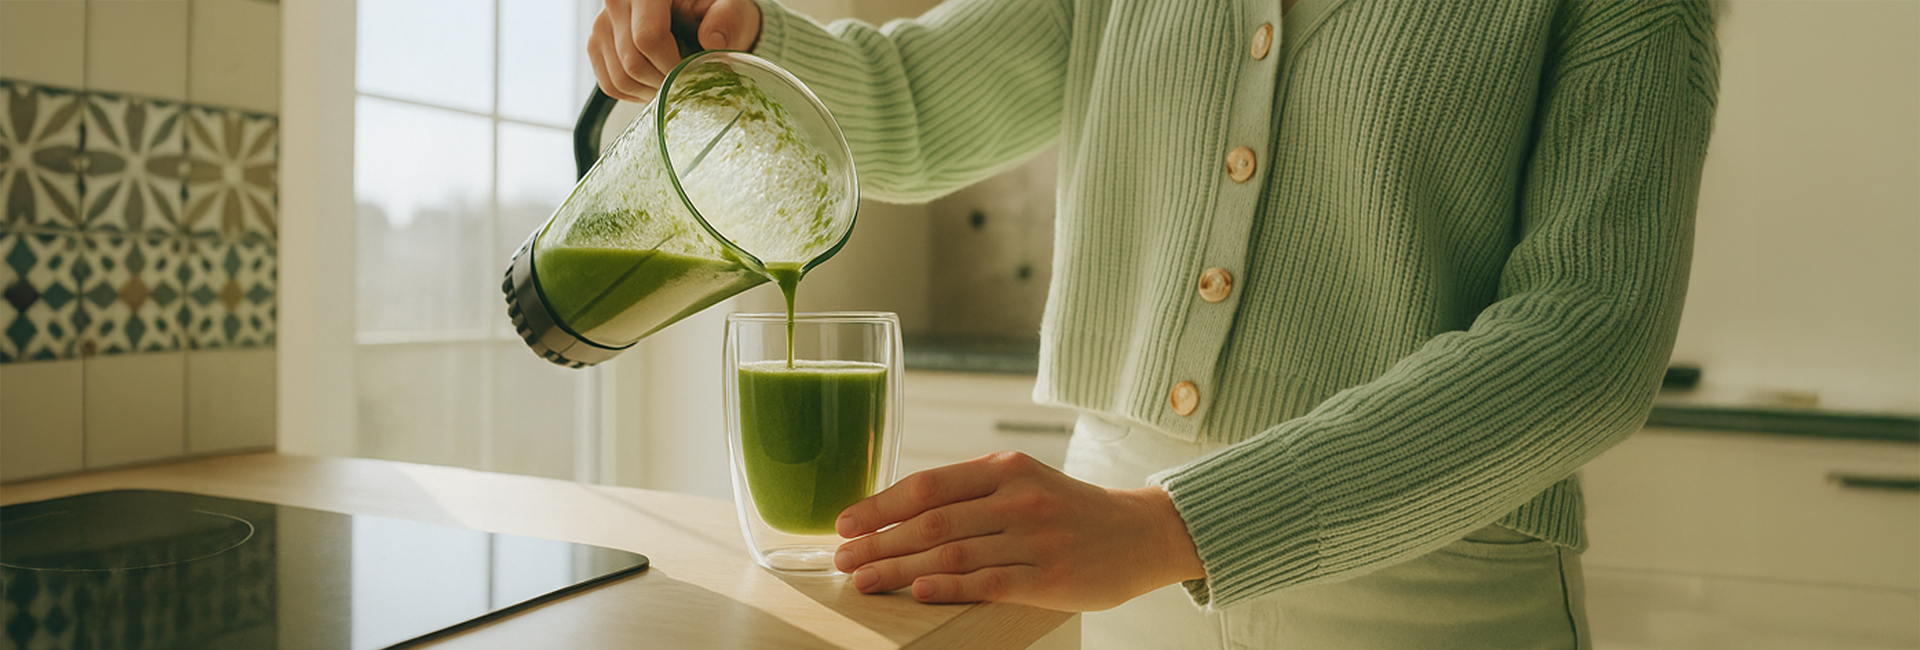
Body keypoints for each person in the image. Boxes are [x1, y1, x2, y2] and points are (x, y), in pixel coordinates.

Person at [592, 0, 1720, 647]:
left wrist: (1171, 527)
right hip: (1115, 587)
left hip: (1431, 592)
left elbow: (1588, 334)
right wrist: (740, 35)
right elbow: (913, 108)